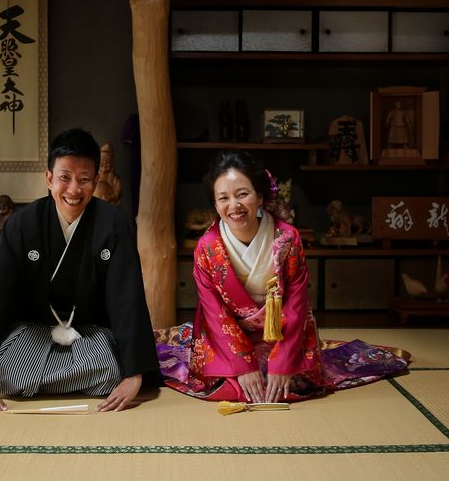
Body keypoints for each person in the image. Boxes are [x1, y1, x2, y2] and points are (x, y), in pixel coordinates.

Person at [155, 151, 410, 403]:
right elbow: (214, 311)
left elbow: (296, 303)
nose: (234, 206)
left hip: (280, 330)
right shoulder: (207, 247)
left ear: (260, 196)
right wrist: (242, 366)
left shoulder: (287, 238)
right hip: (229, 334)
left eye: (242, 194)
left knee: (291, 384)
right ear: (215, 204)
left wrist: (282, 363)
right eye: (223, 198)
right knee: (231, 387)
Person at [0, 128, 158, 412]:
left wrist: (134, 375)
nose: (74, 190)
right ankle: (70, 379)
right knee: (9, 373)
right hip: (34, 330)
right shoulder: (23, 225)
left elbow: (126, 298)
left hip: (90, 332)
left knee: (113, 370)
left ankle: (51, 379)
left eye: (84, 179)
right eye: (65, 177)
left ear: (96, 181)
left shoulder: (113, 224)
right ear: (49, 179)